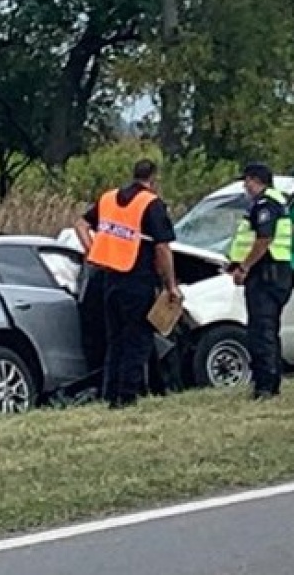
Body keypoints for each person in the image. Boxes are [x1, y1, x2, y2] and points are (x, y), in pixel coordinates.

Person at [74, 158, 181, 408]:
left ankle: (111, 393)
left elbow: (80, 224)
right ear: (153, 178)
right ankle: (127, 395)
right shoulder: (151, 203)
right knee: (137, 339)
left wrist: (92, 251)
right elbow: (162, 248)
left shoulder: (109, 199)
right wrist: (171, 285)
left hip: (110, 279)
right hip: (137, 279)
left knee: (116, 340)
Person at [227, 162, 294, 400]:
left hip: (266, 274)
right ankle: (270, 383)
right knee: (267, 330)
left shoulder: (265, 204)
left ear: (255, 180)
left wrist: (244, 267)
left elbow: (263, 239)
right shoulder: (277, 201)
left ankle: (265, 387)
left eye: (246, 181)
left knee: (261, 332)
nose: (245, 186)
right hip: (275, 272)